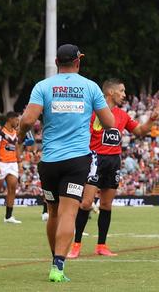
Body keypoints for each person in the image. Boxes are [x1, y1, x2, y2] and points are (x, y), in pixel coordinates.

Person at [17, 44, 114, 282]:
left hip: (50, 160)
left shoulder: (43, 86)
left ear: (56, 61)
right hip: (76, 160)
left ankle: (54, 257)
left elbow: (28, 119)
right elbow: (109, 122)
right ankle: (58, 266)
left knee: (53, 212)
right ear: (78, 61)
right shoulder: (90, 87)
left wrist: (20, 137)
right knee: (68, 213)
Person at [67, 78, 159, 259]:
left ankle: (101, 245)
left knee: (106, 205)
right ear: (111, 92)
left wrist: (153, 118)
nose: (124, 95)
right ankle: (76, 245)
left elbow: (140, 132)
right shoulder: (92, 113)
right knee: (86, 203)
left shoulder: (122, 115)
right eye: (122, 91)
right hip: (94, 160)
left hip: (113, 161)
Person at [0, 112, 22, 224]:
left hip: (13, 164)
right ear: (10, 119)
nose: (18, 122)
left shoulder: (15, 133)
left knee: (12, 188)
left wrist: (19, 163)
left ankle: (8, 217)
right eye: (16, 120)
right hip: (1, 163)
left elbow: (17, 148)